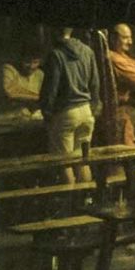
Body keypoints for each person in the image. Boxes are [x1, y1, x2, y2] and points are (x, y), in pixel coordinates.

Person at [39, 26, 100, 184]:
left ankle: (71, 203)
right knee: (82, 159)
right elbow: (95, 84)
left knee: (64, 162)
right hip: (86, 110)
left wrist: (46, 113)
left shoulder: (56, 55)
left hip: (65, 112)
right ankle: (86, 199)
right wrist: (92, 107)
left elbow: (51, 89)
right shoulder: (87, 51)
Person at [103, 23, 135, 145]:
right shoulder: (114, 58)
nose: (130, 42)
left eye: (130, 38)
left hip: (132, 114)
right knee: (127, 152)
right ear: (114, 38)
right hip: (121, 115)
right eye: (125, 37)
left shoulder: (124, 57)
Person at [0, 45, 44, 122]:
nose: (31, 66)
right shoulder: (9, 69)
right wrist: (38, 97)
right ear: (20, 59)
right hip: (9, 119)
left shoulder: (40, 74)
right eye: (27, 62)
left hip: (31, 119)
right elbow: (10, 92)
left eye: (35, 62)